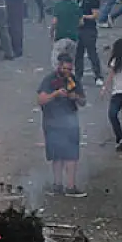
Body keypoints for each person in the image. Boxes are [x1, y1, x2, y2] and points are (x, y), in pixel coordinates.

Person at [37, 55, 88, 197]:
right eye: (65, 68)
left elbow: (83, 101)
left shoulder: (74, 80)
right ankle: (57, 185)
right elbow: (41, 100)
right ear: (59, 66)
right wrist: (56, 93)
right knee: (56, 155)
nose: (67, 72)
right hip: (52, 122)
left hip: (71, 122)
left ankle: (71, 187)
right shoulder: (49, 80)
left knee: (72, 154)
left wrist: (75, 97)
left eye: (70, 69)